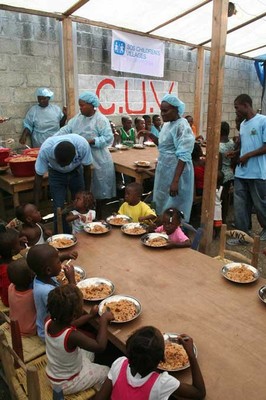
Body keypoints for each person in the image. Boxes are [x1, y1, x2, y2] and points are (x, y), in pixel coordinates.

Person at [94, 326, 206, 400]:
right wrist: (191, 355)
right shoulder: (161, 383)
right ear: (162, 358)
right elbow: (199, 393)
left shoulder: (119, 363)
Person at [45, 284, 113, 395]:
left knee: (88, 351)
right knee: (107, 371)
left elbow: (72, 323)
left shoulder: (49, 321)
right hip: (67, 383)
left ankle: (89, 372)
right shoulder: (72, 336)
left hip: (54, 374)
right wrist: (104, 320)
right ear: (75, 314)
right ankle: (96, 393)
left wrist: (90, 316)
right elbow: (100, 346)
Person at [57, 91, 116, 217]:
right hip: (82, 156)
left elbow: (108, 138)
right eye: (80, 106)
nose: (81, 108)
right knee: (85, 188)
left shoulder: (101, 120)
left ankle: (99, 215)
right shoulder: (78, 118)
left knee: (99, 190)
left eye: (83, 105)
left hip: (98, 158)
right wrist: (54, 139)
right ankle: (84, 215)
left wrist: (91, 141)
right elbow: (66, 129)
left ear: (92, 105)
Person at [227, 94, 266, 245]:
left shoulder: (263, 121)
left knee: (260, 204)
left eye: (237, 107)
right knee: (240, 205)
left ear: (246, 105)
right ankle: (242, 236)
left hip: (258, 172)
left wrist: (248, 156)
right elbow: (245, 146)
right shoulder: (243, 124)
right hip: (242, 171)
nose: (235, 111)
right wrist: (236, 153)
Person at [33, 134, 92, 233]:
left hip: (76, 172)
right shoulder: (45, 150)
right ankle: (62, 235)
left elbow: (87, 169)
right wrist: (36, 206)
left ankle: (82, 232)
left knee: (81, 203)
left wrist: (87, 192)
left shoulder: (82, 145)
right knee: (58, 207)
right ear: (54, 156)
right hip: (56, 174)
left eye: (66, 164)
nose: (64, 167)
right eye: (61, 164)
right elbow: (38, 177)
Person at [153, 94, 195, 221]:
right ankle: (163, 229)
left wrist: (175, 181)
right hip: (165, 170)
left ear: (176, 110)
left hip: (177, 171)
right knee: (162, 200)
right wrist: (151, 135)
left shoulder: (182, 126)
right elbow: (164, 146)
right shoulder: (166, 125)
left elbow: (184, 155)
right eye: (161, 110)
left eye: (166, 111)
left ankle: (178, 232)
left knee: (175, 203)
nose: (162, 114)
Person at [26, 243, 77, 341]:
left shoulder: (42, 276)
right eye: (58, 262)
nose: (61, 264)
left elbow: (50, 264)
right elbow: (70, 305)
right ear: (49, 270)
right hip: (51, 333)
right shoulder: (47, 291)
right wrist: (71, 280)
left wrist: (65, 256)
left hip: (51, 322)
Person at [7, 258, 36, 336]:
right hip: (30, 329)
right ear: (31, 277)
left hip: (14, 326)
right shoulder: (32, 294)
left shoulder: (11, 287)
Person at [0, 227, 21, 306]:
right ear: (13, 251)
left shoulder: (5, 263)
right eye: (18, 243)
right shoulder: (7, 272)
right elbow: (7, 300)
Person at [219, 122, 235, 223]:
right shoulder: (232, 143)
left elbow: (218, 164)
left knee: (219, 199)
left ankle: (219, 220)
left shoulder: (219, 146)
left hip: (221, 175)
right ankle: (224, 219)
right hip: (230, 173)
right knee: (225, 198)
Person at [213, 171, 224, 239]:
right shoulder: (222, 188)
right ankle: (216, 234)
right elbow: (223, 198)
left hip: (215, 207)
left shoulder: (212, 187)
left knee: (215, 222)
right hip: (218, 208)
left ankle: (216, 234)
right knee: (217, 222)